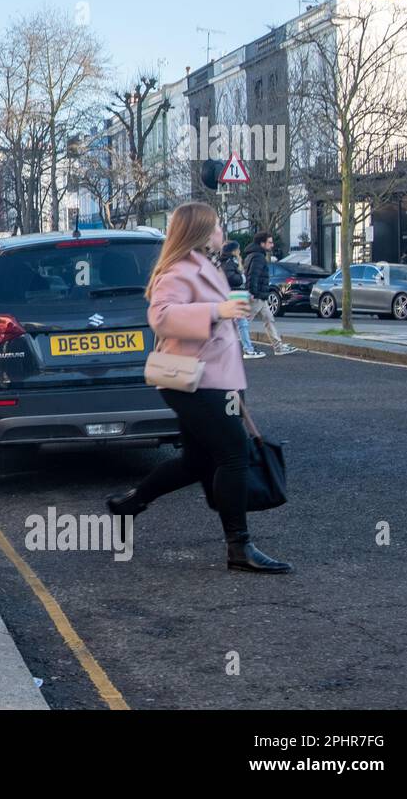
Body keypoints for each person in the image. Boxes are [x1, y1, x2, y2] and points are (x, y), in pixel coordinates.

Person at [106, 201, 292, 574]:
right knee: (234, 454)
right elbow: (160, 317)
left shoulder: (205, 266)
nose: (222, 231)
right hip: (195, 380)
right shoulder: (177, 270)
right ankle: (239, 547)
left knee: (197, 461)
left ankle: (129, 504)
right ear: (202, 232)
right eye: (218, 225)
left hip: (213, 378)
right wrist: (215, 312)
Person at [243, 232, 297, 356]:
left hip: (260, 296)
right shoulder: (258, 257)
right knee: (243, 323)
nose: (272, 245)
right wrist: (252, 292)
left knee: (269, 320)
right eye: (270, 242)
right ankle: (240, 348)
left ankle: (278, 347)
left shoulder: (253, 255)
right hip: (256, 296)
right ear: (262, 243)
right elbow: (253, 275)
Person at [218, 240, 263, 360]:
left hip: (234, 294)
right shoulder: (229, 262)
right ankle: (248, 349)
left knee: (234, 323)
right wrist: (242, 278)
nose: (239, 251)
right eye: (237, 249)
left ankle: (241, 348)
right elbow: (231, 278)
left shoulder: (228, 261)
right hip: (234, 294)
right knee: (241, 323)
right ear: (233, 251)